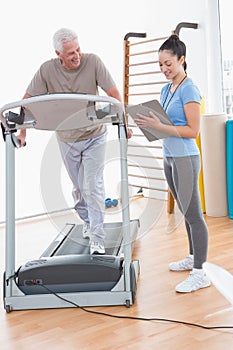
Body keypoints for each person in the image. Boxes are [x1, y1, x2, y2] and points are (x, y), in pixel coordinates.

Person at [17, 28, 131, 255]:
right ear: (58, 54)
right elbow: (26, 102)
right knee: (79, 190)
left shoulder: (93, 62)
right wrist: (23, 133)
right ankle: (88, 222)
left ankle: (97, 238)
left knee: (93, 186)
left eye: (78, 49)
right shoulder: (46, 70)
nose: (77, 55)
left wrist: (124, 123)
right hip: (67, 138)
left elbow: (113, 93)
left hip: (95, 135)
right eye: (70, 53)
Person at [134, 34, 211, 293]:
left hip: (186, 157)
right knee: (184, 211)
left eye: (169, 63)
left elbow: (192, 131)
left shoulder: (190, 88)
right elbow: (165, 126)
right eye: (160, 65)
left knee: (193, 215)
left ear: (182, 60)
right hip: (169, 156)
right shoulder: (166, 90)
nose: (164, 69)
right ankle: (192, 257)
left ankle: (200, 272)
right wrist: (147, 125)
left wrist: (159, 125)